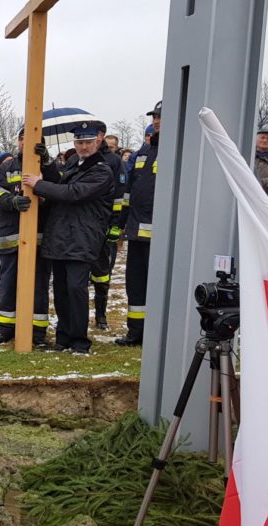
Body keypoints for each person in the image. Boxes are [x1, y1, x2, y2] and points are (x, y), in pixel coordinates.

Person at [23, 122, 114, 354]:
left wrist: (38, 184)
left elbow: (73, 193)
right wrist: (46, 162)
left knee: (76, 289)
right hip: (61, 235)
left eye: (88, 142)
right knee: (62, 289)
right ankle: (63, 338)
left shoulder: (101, 170)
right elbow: (59, 182)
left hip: (82, 237)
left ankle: (79, 341)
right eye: (79, 142)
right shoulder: (74, 162)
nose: (83, 146)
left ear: (97, 141)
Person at [0, 128, 57, 345]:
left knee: (39, 284)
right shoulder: (6, 167)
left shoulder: (48, 166)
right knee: (9, 283)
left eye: (31, 140)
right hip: (12, 234)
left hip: (40, 236)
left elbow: (59, 186)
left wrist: (47, 162)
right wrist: (12, 201)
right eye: (21, 139)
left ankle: (37, 331)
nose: (25, 143)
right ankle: (5, 328)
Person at [74, 121, 128, 331]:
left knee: (102, 274)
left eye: (94, 135)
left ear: (101, 136)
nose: (89, 140)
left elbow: (119, 196)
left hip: (103, 226)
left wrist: (116, 225)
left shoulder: (113, 161)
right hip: (81, 227)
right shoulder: (76, 159)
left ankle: (101, 315)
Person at [116, 102, 162, 346]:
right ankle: (136, 332)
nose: (156, 121)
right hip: (136, 231)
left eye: (161, 117)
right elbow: (129, 189)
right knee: (135, 285)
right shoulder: (144, 151)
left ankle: (157, 333)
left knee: (157, 286)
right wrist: (121, 223)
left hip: (160, 235)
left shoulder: (177, 149)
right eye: (155, 117)